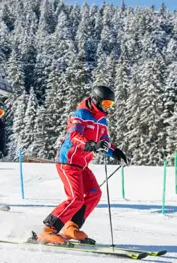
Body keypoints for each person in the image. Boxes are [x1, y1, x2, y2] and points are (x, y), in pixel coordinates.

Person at [37, 85, 128, 245]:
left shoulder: (102, 121)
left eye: (110, 105)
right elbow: (74, 136)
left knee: (94, 194)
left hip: (82, 165)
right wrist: (90, 145)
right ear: (96, 100)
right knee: (76, 198)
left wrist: (116, 152)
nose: (108, 107)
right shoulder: (80, 114)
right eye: (106, 103)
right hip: (68, 162)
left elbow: (104, 143)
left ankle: (71, 227)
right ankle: (47, 230)